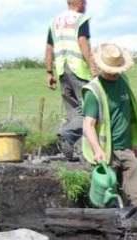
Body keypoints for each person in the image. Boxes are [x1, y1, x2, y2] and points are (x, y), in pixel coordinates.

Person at [81, 43, 137, 209]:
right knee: (105, 198)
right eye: (111, 70)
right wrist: (97, 150)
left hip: (125, 148)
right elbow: (88, 125)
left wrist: (133, 142)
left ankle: (135, 222)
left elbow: (128, 114)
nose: (114, 74)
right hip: (107, 152)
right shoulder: (94, 91)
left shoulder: (124, 82)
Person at [45, 0, 97, 159]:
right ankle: (66, 133)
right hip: (78, 69)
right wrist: (92, 66)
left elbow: (49, 47)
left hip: (62, 70)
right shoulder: (81, 19)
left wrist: (49, 72)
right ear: (80, 3)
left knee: (75, 112)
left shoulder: (55, 21)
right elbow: (82, 42)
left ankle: (74, 149)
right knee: (90, 110)